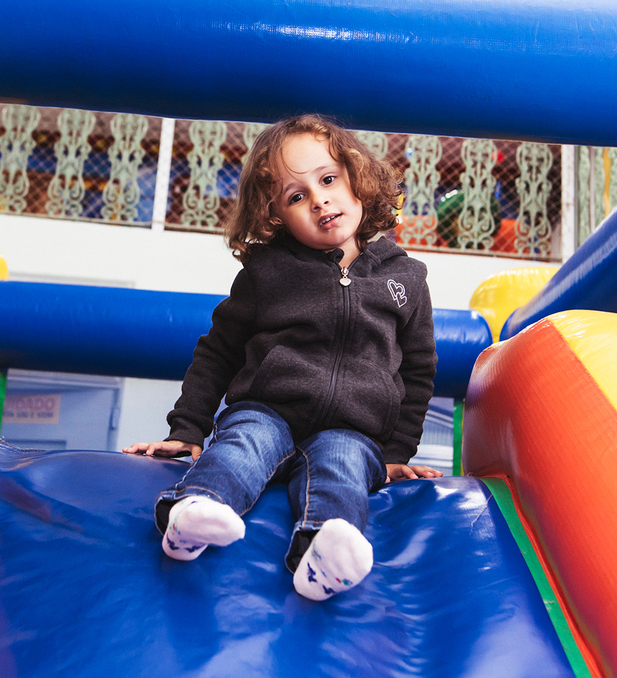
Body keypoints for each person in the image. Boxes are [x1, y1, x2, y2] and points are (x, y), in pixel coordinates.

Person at [124, 114, 440, 601]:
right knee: (243, 443)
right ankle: (190, 514)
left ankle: (323, 555)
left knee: (344, 466)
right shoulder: (268, 272)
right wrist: (186, 430)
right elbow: (219, 350)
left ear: (358, 179)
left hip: (353, 429)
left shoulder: (407, 278)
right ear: (275, 215)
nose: (320, 200)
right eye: (296, 196)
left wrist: (398, 453)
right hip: (267, 409)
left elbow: (417, 371)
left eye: (329, 179)